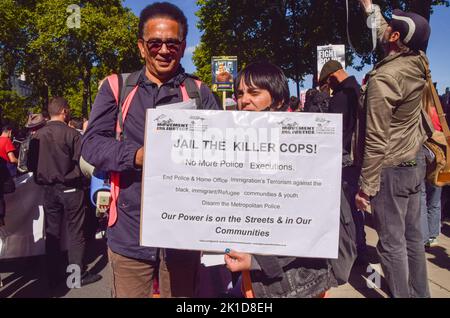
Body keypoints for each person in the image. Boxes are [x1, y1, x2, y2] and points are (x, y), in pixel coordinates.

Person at [81, 2, 219, 298]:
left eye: (173, 43)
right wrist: (138, 156)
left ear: (183, 47)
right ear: (142, 47)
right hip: (130, 233)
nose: (164, 50)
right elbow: (91, 144)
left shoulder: (200, 92)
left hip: (183, 233)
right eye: (155, 43)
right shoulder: (116, 87)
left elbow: (219, 156)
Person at [224, 61, 338, 298]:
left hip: (296, 283)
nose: (244, 100)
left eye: (254, 92)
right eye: (240, 93)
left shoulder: (307, 147)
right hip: (254, 281)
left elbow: (316, 227)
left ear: (277, 100)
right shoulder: (243, 145)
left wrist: (257, 260)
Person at [355, 0, 431, 297]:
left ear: (396, 38)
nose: (387, 25)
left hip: (391, 170)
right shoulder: (419, 61)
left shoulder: (385, 78)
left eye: (393, 24)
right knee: (413, 239)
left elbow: (376, 138)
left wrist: (366, 187)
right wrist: (369, 8)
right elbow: (385, 29)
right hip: (414, 163)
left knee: (391, 245)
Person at [28, 97, 101, 288]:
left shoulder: (37, 136)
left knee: (52, 233)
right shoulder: (72, 134)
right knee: (76, 233)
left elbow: (30, 165)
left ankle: (53, 275)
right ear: (64, 111)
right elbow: (83, 162)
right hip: (71, 188)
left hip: (48, 189)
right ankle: (75, 277)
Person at [318, 60, 368, 264]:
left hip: (343, 158)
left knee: (346, 211)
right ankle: (361, 249)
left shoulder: (340, 98)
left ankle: (352, 252)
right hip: (359, 158)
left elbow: (333, 133)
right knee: (356, 209)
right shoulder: (361, 91)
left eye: (328, 84)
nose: (328, 89)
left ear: (333, 78)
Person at [420, 81, 443, 248]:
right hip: (441, 160)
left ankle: (423, 235)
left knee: (421, 197)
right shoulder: (438, 113)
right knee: (435, 197)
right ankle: (434, 235)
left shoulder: (418, 113)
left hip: (423, 156)